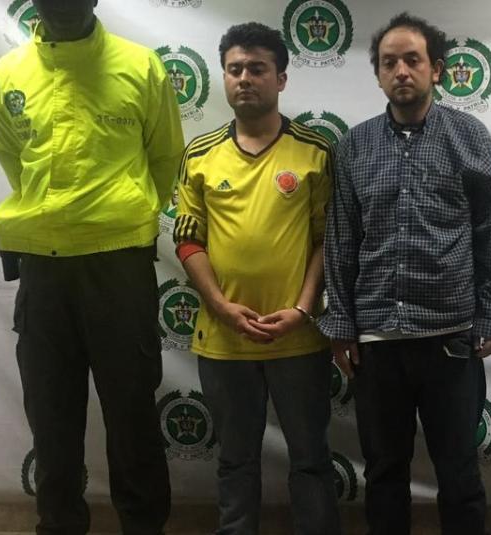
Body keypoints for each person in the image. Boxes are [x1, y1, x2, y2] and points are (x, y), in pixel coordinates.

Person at [0, 0, 183, 533]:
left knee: (132, 414)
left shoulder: (140, 66)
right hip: (43, 269)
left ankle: (144, 527)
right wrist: (54, 216)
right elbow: (13, 160)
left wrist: (120, 213)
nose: (65, 7)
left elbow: (165, 157)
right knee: (51, 420)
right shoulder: (8, 73)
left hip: (118, 265)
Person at [319, 12, 491, 535]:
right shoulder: (354, 146)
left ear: (437, 70)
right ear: (378, 74)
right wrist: (341, 324)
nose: (401, 71)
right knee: (384, 472)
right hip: (377, 344)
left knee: (459, 472)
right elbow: (341, 239)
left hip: (450, 338)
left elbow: (488, 230)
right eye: (389, 62)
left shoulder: (469, 138)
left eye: (412, 60)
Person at [172, 22, 340, 535]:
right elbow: (188, 241)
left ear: (281, 79)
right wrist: (221, 307)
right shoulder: (199, 153)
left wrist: (303, 310)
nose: (245, 78)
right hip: (224, 339)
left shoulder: (315, 151)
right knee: (235, 460)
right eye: (235, 69)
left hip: (299, 338)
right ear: (224, 77)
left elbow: (327, 240)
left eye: (257, 69)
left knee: (310, 459)